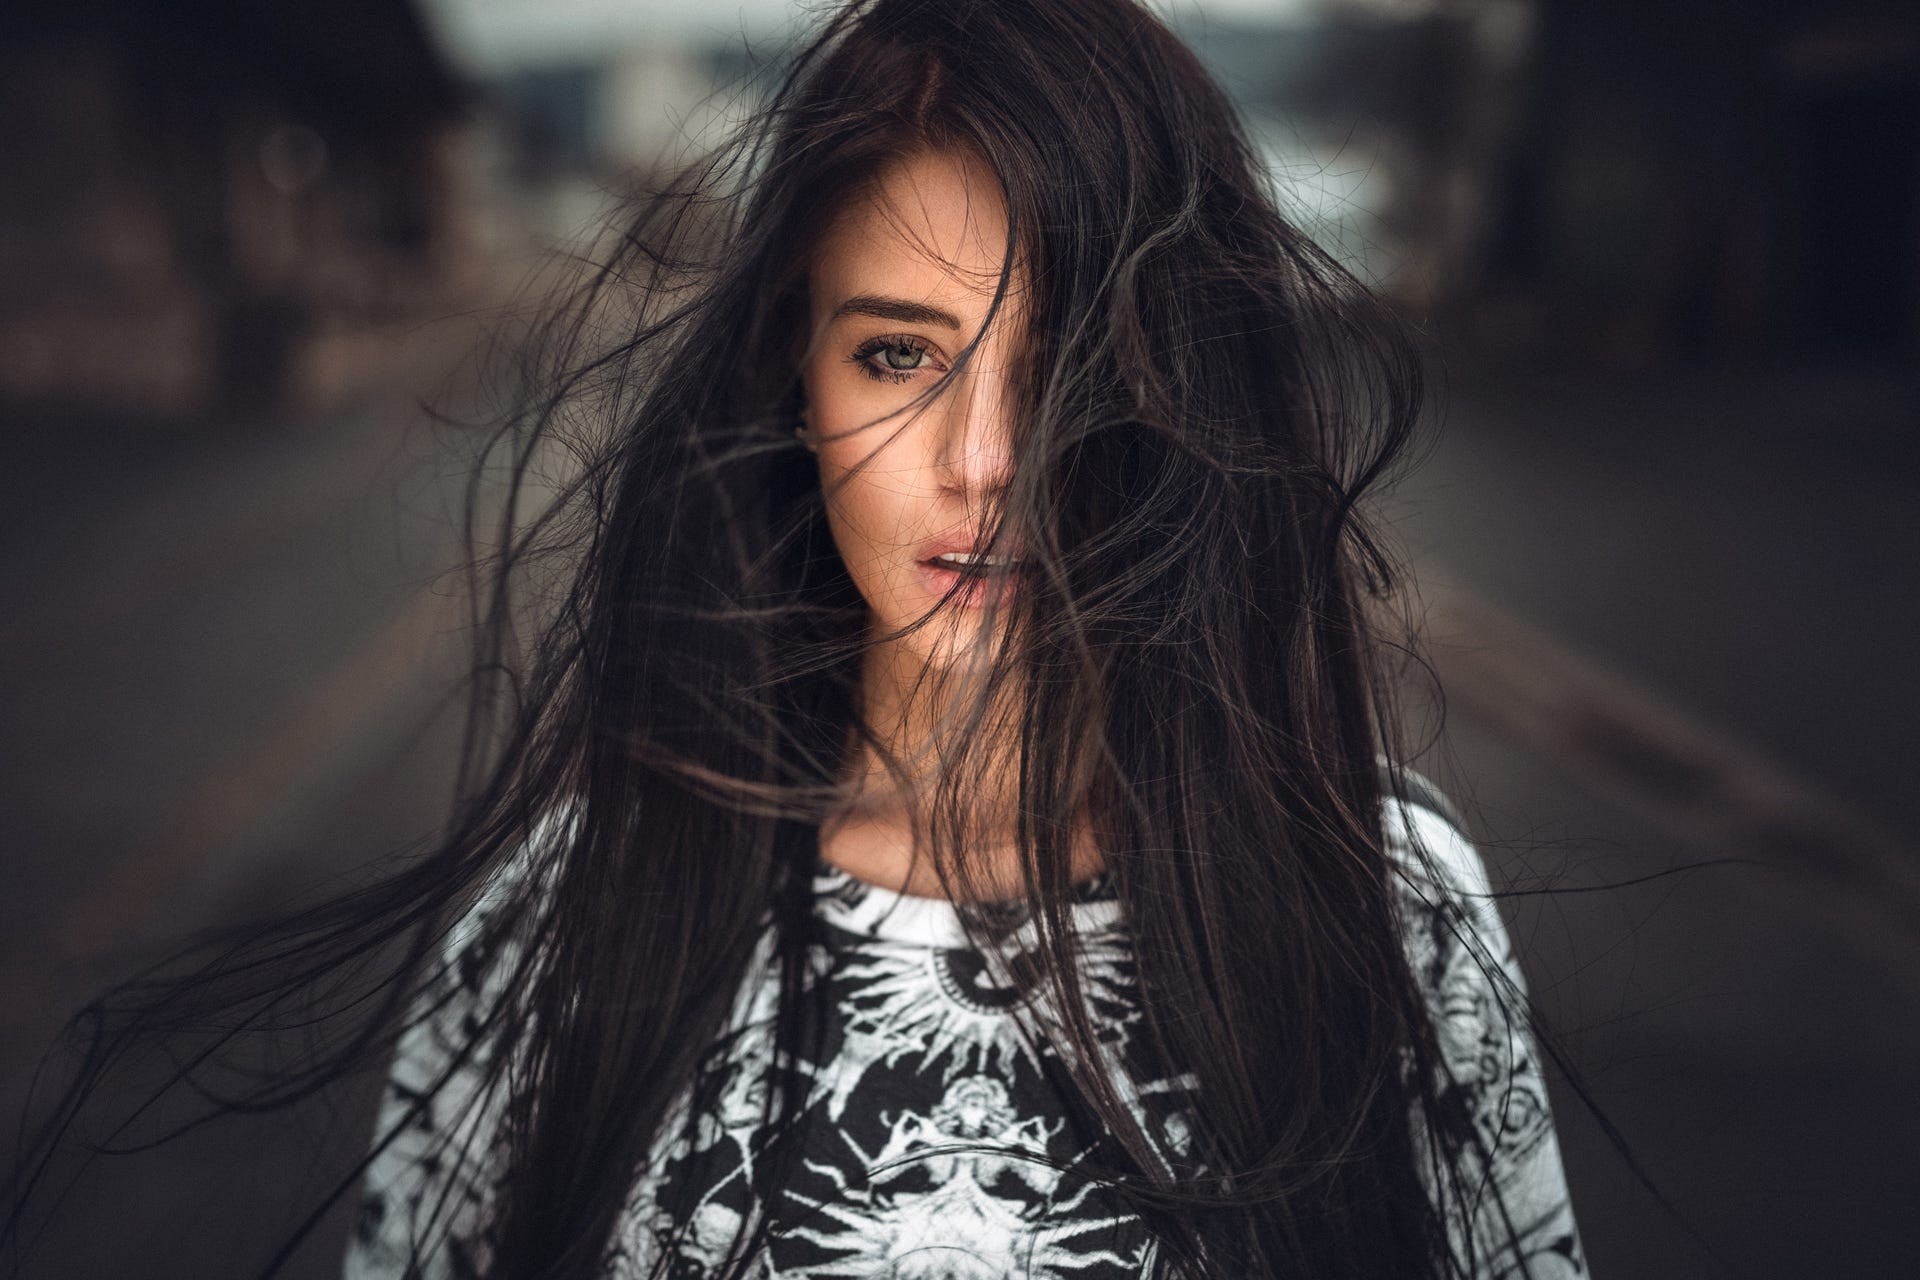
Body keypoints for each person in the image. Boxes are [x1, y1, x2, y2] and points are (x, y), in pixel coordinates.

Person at [7, 1, 1589, 1277]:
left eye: (1078, 362)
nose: (985, 459)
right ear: (797, 384)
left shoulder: (1382, 906)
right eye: (900, 353)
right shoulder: (568, 920)